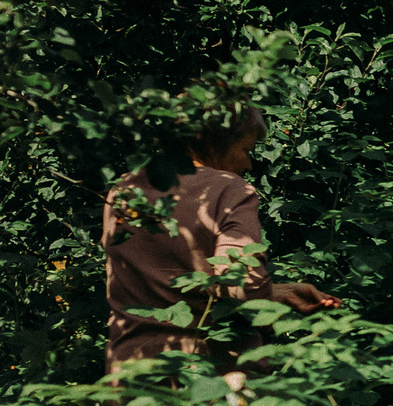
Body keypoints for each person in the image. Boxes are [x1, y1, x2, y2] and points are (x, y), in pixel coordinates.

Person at [101, 108, 333, 371]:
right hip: (210, 372)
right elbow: (241, 284)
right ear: (214, 143)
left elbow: (160, 282)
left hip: (131, 370)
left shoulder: (123, 190)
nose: (248, 164)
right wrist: (268, 304)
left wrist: (276, 292)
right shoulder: (227, 188)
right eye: (245, 150)